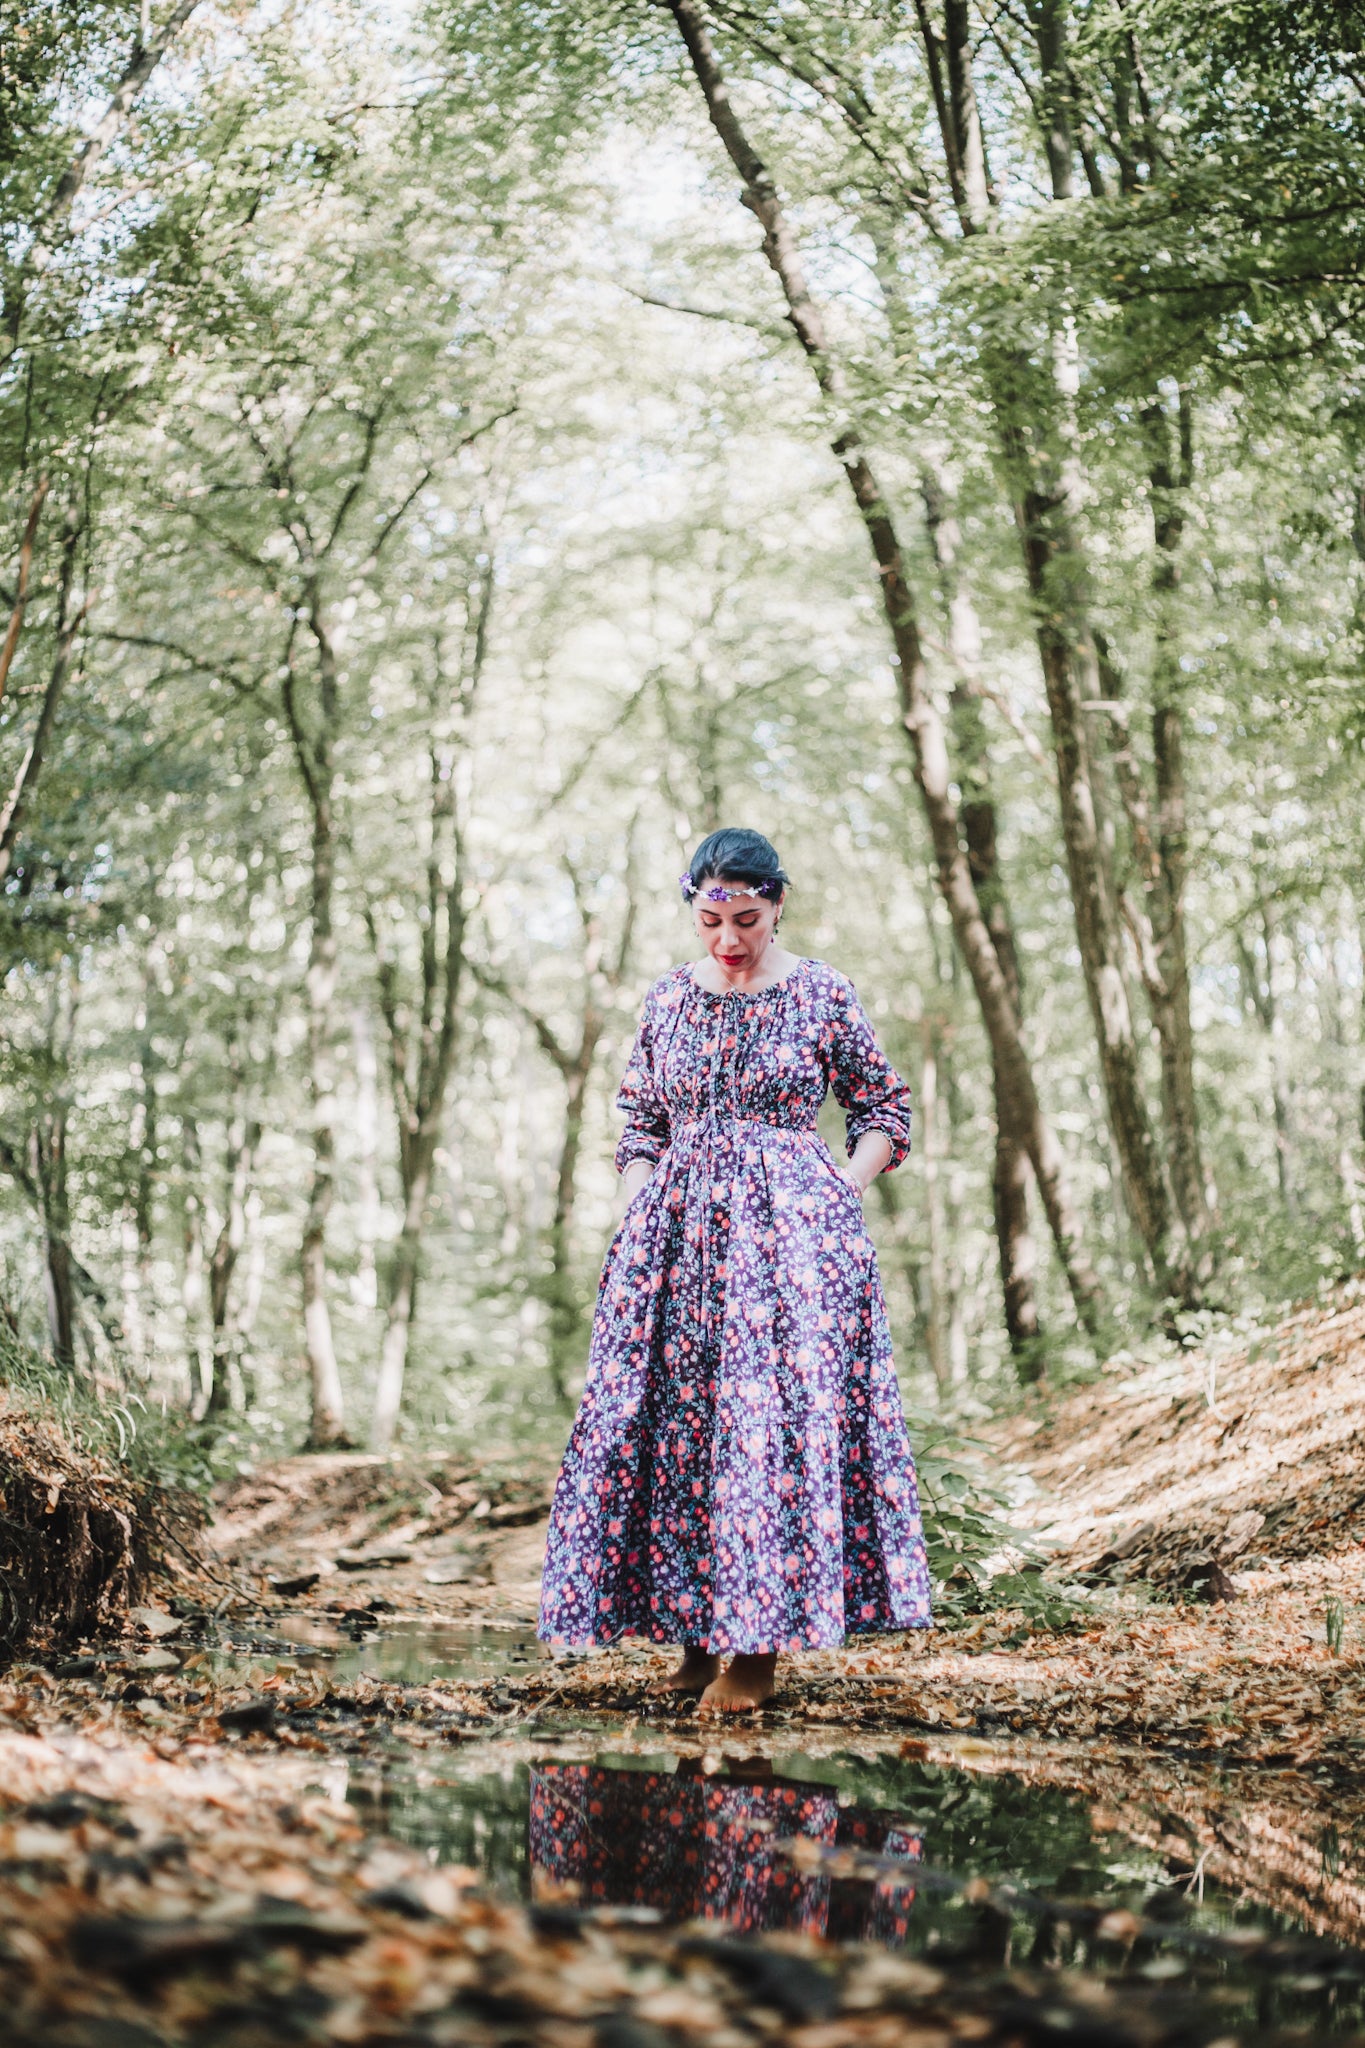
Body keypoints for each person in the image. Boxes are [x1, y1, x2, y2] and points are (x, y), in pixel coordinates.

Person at [538, 827, 932, 1711]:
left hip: (791, 1242)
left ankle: (755, 1651)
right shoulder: (667, 999)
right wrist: (640, 1199)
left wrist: (843, 1183)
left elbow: (883, 1108)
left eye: (745, 919)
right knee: (680, 1428)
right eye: (710, 919)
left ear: (776, 905)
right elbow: (639, 1119)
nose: (727, 939)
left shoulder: (822, 991)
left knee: (765, 1431)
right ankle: (690, 1632)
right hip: (673, 1241)